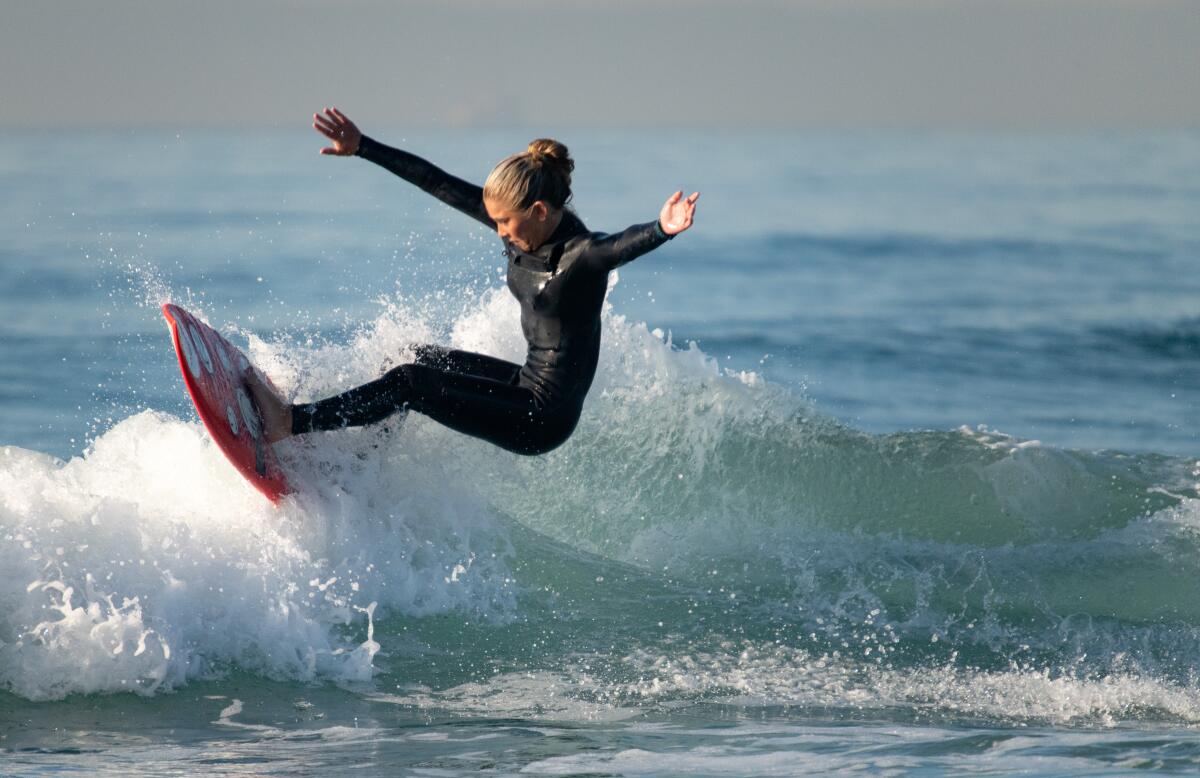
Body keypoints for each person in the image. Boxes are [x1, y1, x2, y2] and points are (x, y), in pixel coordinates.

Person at [247, 107, 699, 455]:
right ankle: (361, 455)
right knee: (415, 357)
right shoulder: (525, 232)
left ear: (539, 211)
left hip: (542, 419)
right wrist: (363, 146)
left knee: (409, 382)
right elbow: (437, 182)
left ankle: (288, 424)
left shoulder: (583, 256)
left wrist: (662, 228)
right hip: (523, 383)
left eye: (506, 222)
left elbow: (621, 245)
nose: (499, 231)